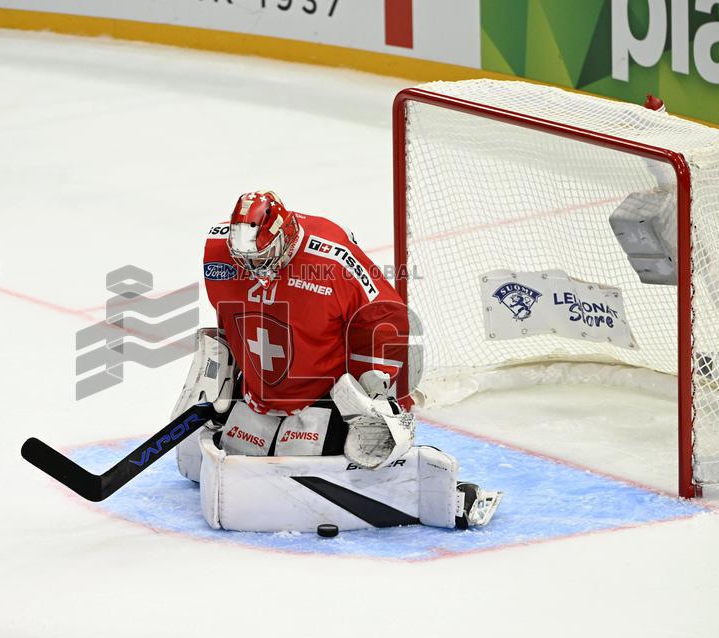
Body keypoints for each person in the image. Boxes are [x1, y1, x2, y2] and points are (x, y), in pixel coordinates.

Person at [172, 190, 500, 532]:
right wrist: (227, 376)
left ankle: (402, 463)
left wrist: (373, 394)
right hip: (262, 388)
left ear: (284, 235)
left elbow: (385, 318)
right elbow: (230, 318)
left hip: (324, 392)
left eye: (263, 256)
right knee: (240, 453)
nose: (254, 267)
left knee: (302, 462)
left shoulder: (331, 256)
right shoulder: (218, 251)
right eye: (245, 259)